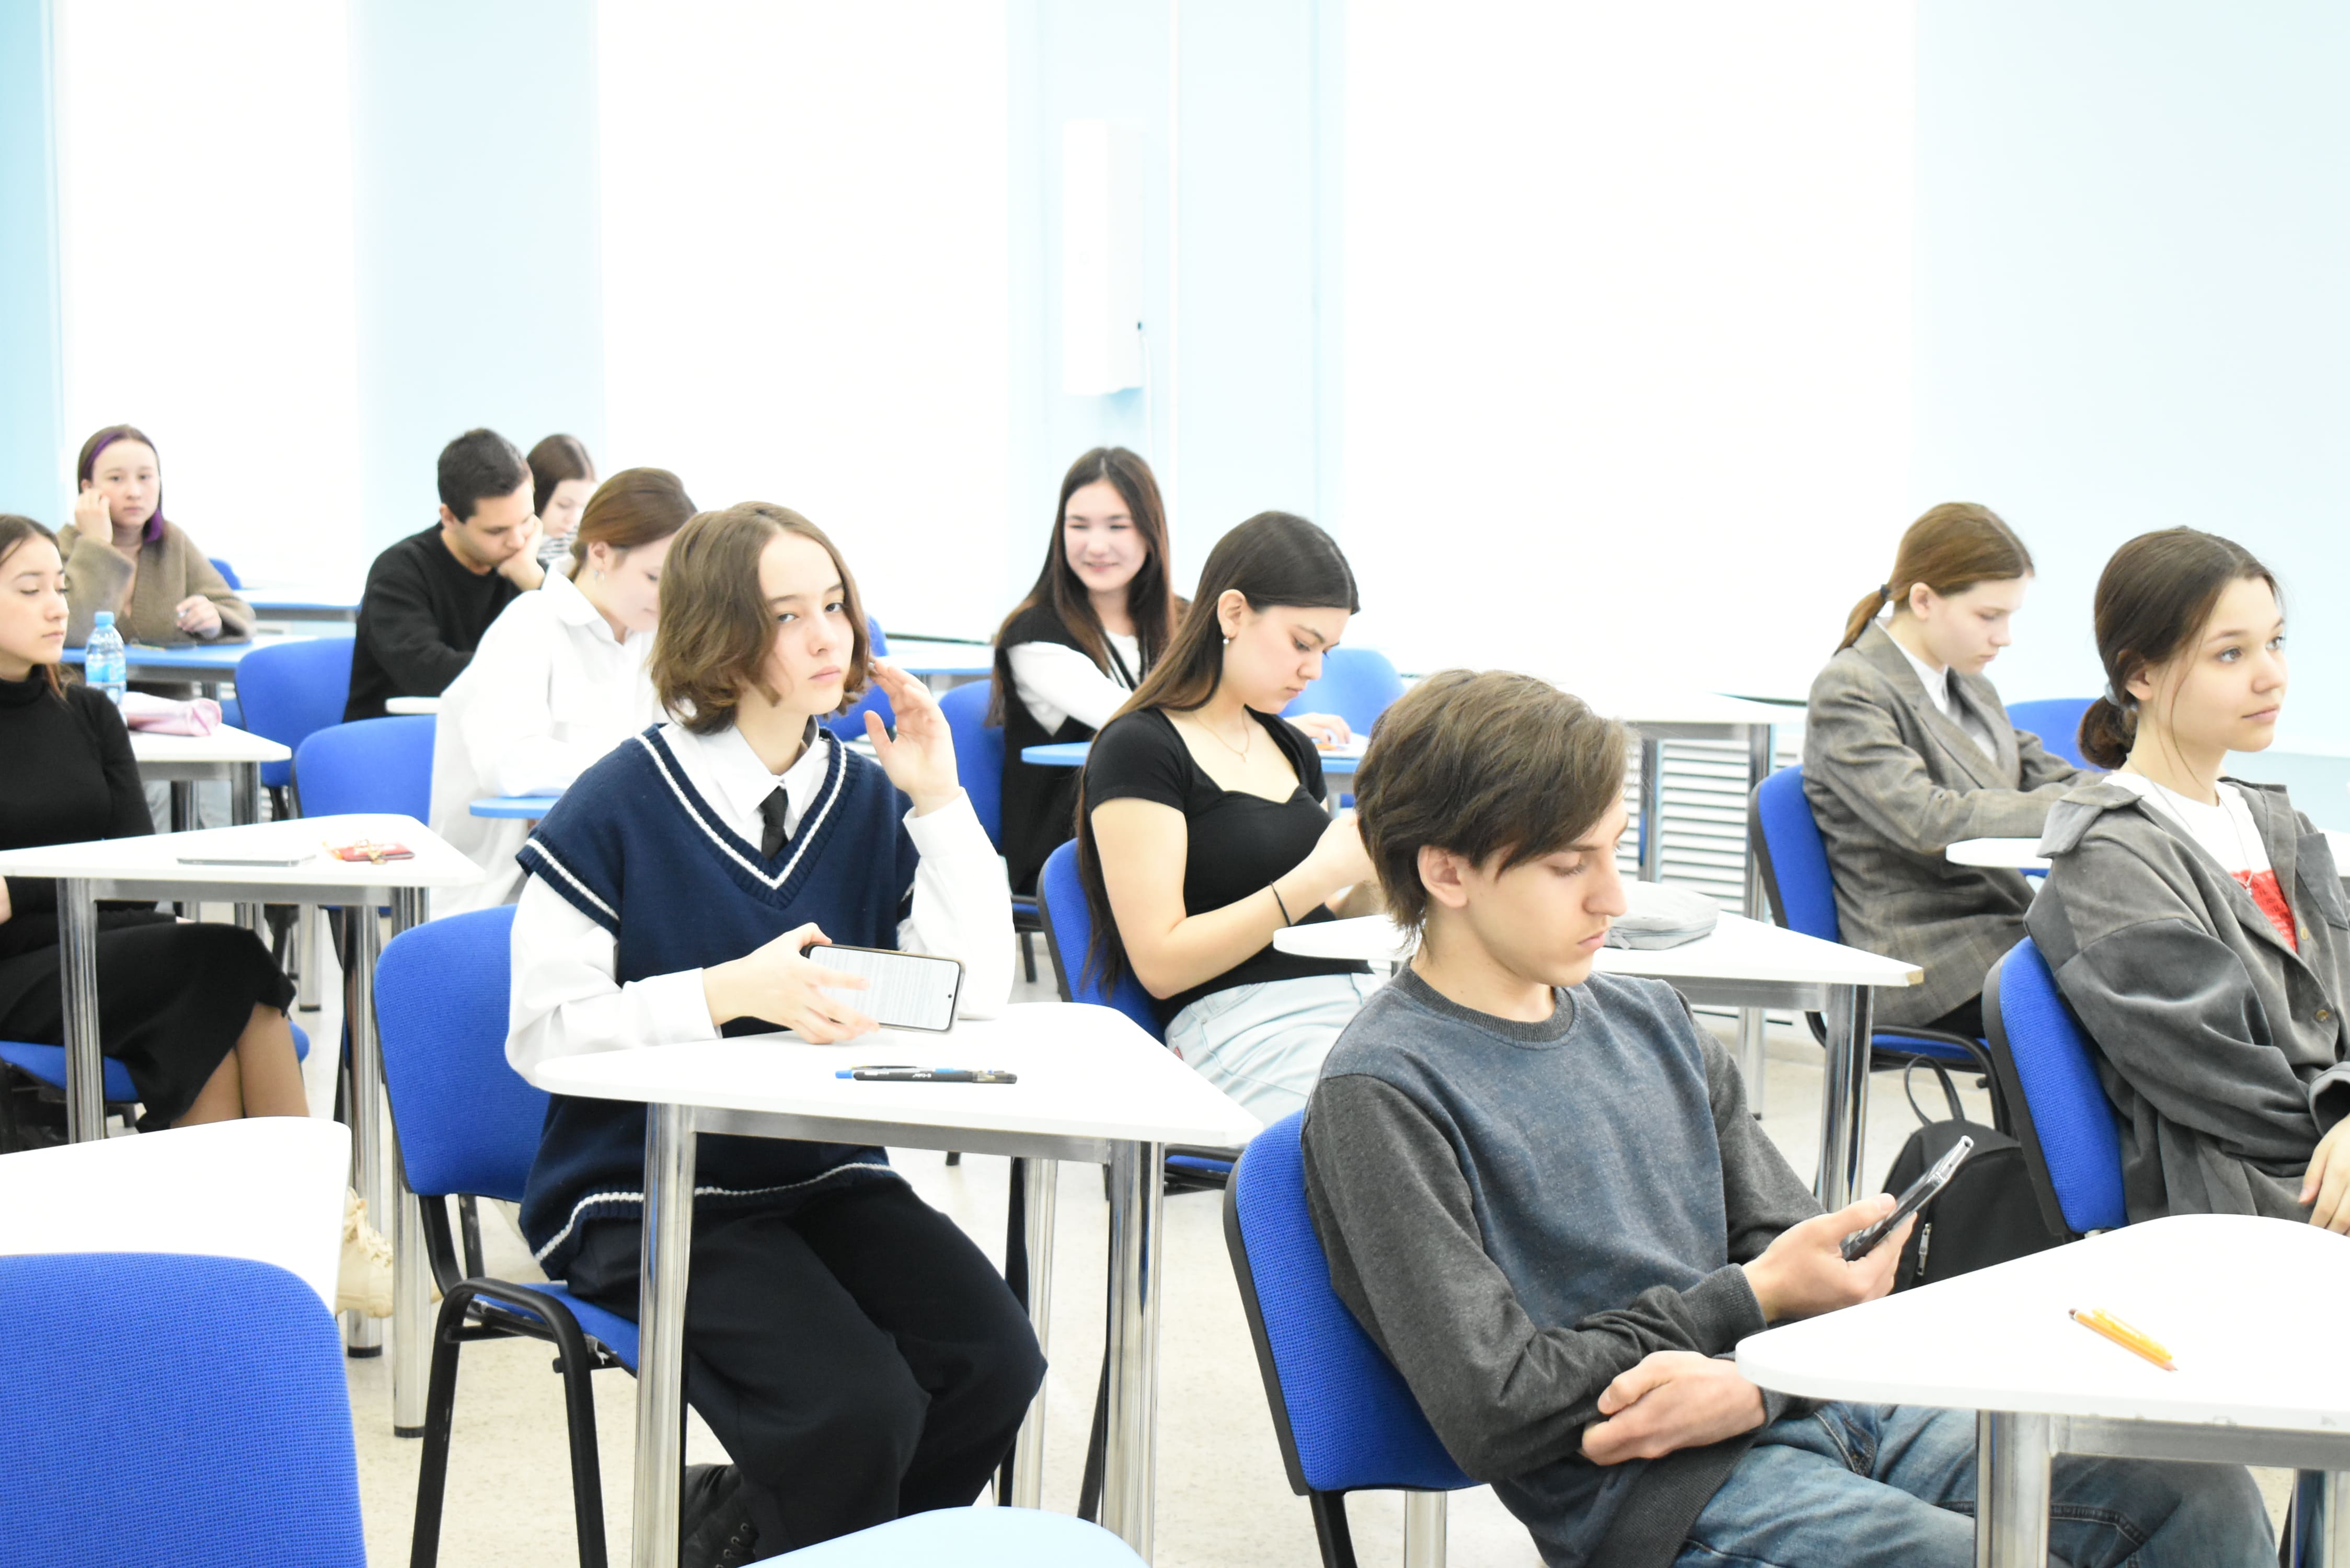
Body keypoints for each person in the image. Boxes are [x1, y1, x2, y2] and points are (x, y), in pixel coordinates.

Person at [1306, 667, 2272, 1568]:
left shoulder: (1650, 1020)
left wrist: (1760, 1373)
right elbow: (1497, 1404)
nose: (1614, 896)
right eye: (1569, 866)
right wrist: (1750, 1305)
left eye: (1614, 848)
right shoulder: (1384, 1091)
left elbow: (1795, 1257)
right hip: (1664, 1490)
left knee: (2194, 1493)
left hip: (1799, 1403)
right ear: (1447, 873)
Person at [506, 502, 1039, 1562]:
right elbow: (545, 1034)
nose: (826, 636)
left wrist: (938, 802)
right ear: (717, 637)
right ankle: (793, 1522)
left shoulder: (864, 796)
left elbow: (970, 993)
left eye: (834, 606)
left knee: (992, 1362)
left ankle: (751, 1528)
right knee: (853, 1407)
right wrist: (724, 994)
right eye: (787, 616)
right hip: (641, 1185)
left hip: (819, 1172)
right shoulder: (622, 799)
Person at [0, 514, 393, 1315]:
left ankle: (218, 1269)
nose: (56, 606)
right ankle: (312, 1230)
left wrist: (24, 879)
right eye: (30, 588)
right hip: (18, 970)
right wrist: (51, 886)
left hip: (107, 939)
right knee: (229, 963)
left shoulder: (89, 713)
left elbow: (132, 872)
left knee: (210, 991)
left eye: (60, 587)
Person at [2030, 529, 2350, 1228]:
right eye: (2230, 653)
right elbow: (2224, 1085)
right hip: (2260, 1189)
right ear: (2140, 676)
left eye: (2275, 643)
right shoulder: (2109, 855)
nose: (2271, 676)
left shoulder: (2279, 824)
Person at [1078, 511, 1379, 1123]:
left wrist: (1377, 868)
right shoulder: (1140, 748)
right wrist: (1318, 876)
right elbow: (1161, 965)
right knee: (1387, 1128)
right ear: (1233, 613)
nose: (1314, 671)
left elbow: (1325, 918)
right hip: (1241, 1027)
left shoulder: (1289, 746)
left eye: (1325, 651)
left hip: (1352, 1007)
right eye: (1302, 644)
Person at [1803, 502, 2089, 1040]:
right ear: (1923, 600)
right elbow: (1928, 819)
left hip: (1998, 928)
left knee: (2145, 970)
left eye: (2009, 617)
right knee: (2120, 1001)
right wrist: (2079, 805)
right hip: (1928, 956)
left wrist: (2129, 792)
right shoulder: (1850, 689)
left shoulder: (1969, 683)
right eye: (1988, 616)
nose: (2004, 636)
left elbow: (2040, 771)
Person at [428, 468, 691, 915]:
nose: (668, 598)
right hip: (510, 892)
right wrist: (638, 772)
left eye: (679, 584)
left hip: (619, 879)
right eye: (654, 577)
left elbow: (689, 744)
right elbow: (508, 765)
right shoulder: (530, 624)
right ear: (601, 553)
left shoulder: (654, 636)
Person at [990, 447, 1181, 893]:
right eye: (1078, 526)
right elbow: (1134, 719)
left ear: (1151, 531)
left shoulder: (1183, 621)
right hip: (1070, 854)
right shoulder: (1034, 633)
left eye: (1117, 526)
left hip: (1162, 834)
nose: (1096, 546)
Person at [344, 428, 546, 722]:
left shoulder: (524, 568)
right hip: (400, 738)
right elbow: (428, 674)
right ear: (450, 518)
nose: (517, 541)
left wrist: (536, 582)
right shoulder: (399, 572)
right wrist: (536, 668)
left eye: (527, 521)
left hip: (493, 736)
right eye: (497, 531)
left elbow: (580, 653)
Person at [59, 423, 253, 649]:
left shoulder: (172, 542)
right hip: (89, 674)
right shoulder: (58, 549)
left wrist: (214, 621)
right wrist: (96, 545)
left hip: (167, 675)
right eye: (116, 479)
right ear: (88, 488)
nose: (134, 492)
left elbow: (240, 613)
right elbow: (73, 633)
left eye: (145, 477)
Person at [528, 433, 597, 577]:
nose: (573, 519)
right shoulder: (514, 541)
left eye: (582, 506)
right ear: (536, 493)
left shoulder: (581, 539)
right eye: (564, 505)